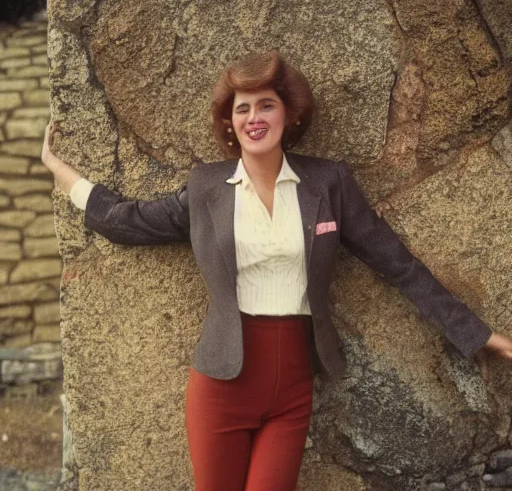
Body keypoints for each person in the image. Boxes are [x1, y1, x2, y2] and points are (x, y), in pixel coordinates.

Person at [42, 50, 512, 491]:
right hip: (221, 386)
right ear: (230, 122)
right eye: (242, 108)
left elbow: (398, 264)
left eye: (266, 105)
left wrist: (477, 334)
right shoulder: (207, 188)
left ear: (290, 114)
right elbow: (131, 221)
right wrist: (60, 170)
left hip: (292, 388)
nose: (254, 118)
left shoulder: (329, 183)